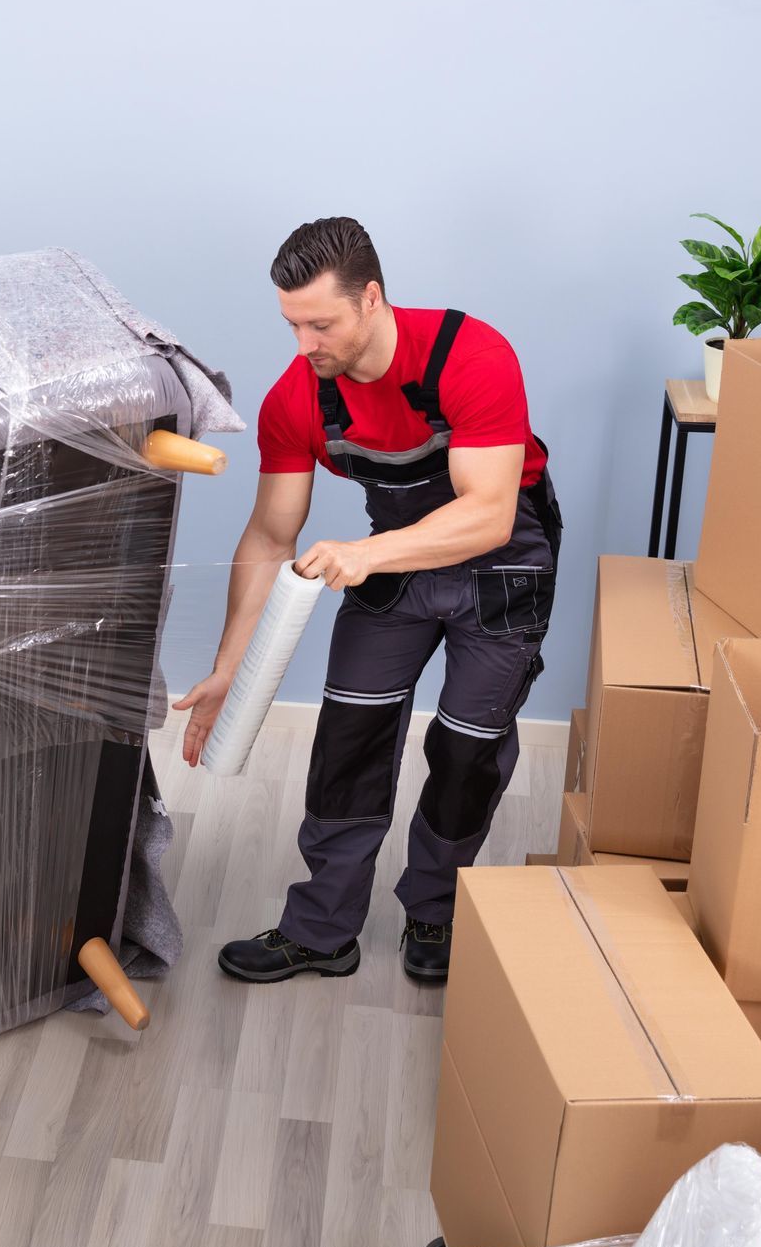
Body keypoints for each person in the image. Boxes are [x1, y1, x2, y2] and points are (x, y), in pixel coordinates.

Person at [177, 216, 560, 986]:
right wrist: (228, 667)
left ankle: (435, 912)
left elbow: (486, 512)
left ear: (372, 299)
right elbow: (268, 535)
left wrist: (365, 554)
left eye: (320, 323)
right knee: (349, 737)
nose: (303, 345)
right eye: (291, 325)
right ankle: (322, 930)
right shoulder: (300, 399)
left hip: (503, 564)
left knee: (465, 750)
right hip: (391, 561)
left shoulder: (470, 355)